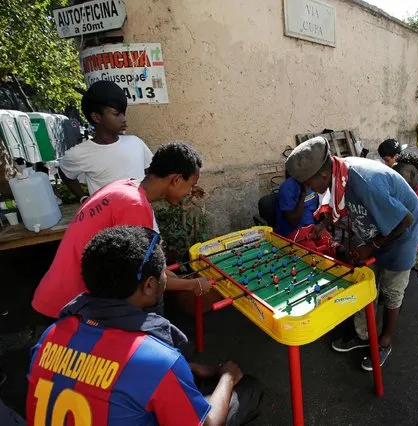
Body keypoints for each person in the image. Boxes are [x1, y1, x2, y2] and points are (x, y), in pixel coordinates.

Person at [26, 226, 262, 426]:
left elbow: (103, 370)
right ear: (149, 285)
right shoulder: (157, 360)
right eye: (163, 275)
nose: (165, 279)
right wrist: (228, 378)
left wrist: (185, 368)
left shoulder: (51, 335)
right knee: (248, 388)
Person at [285, 136, 418, 370]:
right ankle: (362, 336)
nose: (310, 190)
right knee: (365, 282)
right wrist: (326, 222)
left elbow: (405, 220)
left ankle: (385, 341)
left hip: (402, 233)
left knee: (391, 290)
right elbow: (343, 203)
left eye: (310, 184)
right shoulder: (338, 174)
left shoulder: (363, 181)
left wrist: (372, 247)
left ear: (322, 175)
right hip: (375, 231)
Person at [32, 142, 211, 322]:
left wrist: (168, 274)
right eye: (190, 185)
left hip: (58, 293)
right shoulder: (134, 206)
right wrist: (193, 284)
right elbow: (141, 277)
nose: (189, 192)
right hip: (71, 305)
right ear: (176, 179)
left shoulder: (123, 186)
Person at [59, 81, 153, 200]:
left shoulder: (135, 143)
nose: (124, 119)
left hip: (143, 216)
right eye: (116, 114)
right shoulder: (79, 154)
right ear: (96, 117)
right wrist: (83, 198)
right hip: (107, 218)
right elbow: (64, 172)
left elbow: (152, 173)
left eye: (124, 113)